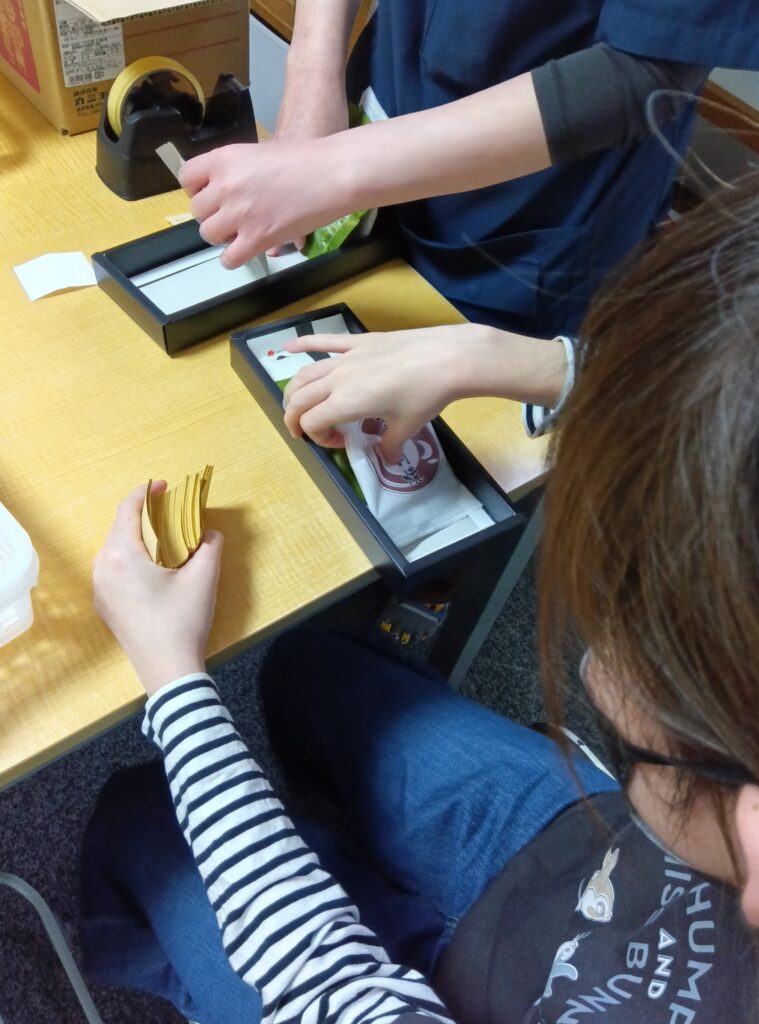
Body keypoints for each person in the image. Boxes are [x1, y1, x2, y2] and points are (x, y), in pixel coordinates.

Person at [82, 176, 759, 1023]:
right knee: (305, 664)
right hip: (581, 862)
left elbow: (325, 983)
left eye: (649, 675)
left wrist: (175, 680)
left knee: (141, 813)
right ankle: (341, 845)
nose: (588, 672)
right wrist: (495, 358)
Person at [179, 1, 758, 336]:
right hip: (376, 123)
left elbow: (643, 72)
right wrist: (310, 78)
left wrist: (331, 170)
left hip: (530, 225)